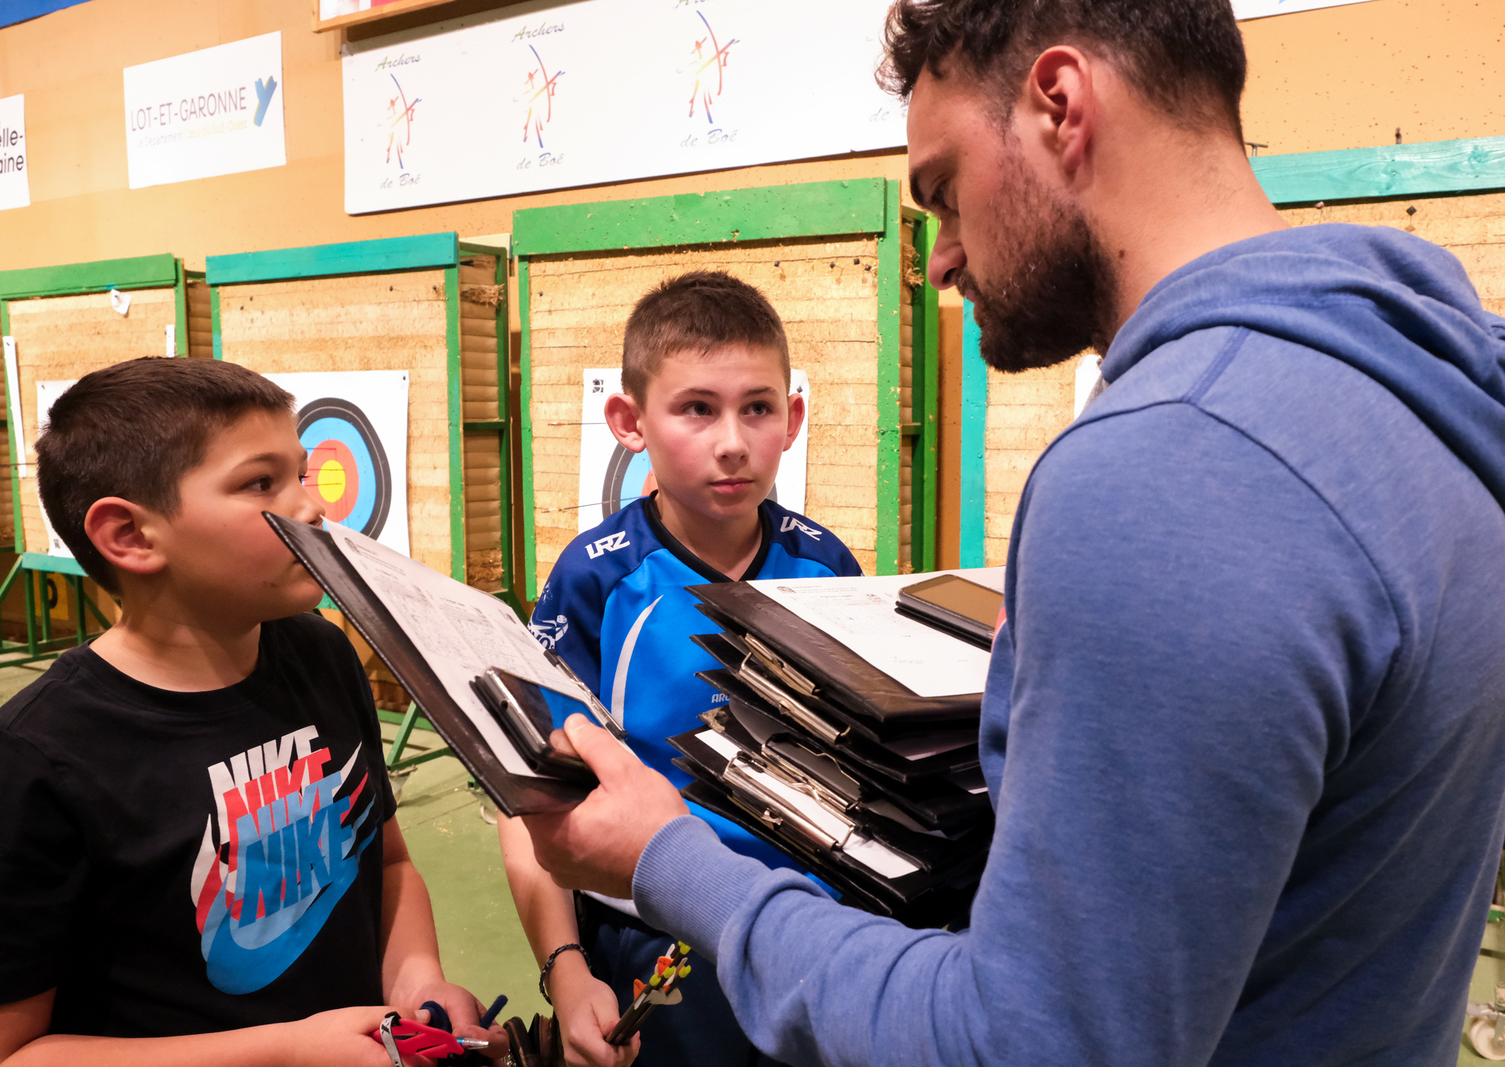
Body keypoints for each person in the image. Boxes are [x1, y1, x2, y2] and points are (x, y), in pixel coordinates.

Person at [516, 2, 1505, 1065]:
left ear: (1060, 105)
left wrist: (670, 857)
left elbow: (1022, 1042)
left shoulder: (1168, 468)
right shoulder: (1426, 389)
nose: (942, 259)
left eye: (944, 190)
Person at [0, 358, 505, 1067]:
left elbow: (389, 861)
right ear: (130, 536)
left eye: (302, 474)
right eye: (261, 483)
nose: (312, 508)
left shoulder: (321, 653)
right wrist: (286, 1052)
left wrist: (417, 980)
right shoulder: (30, 761)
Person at [497, 271, 864, 1067]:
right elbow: (531, 799)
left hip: (803, 924)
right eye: (697, 408)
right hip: (651, 926)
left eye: (757, 407)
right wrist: (566, 969)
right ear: (629, 422)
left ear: (793, 419)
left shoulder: (827, 565)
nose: (732, 441)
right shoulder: (594, 579)